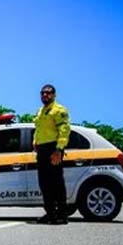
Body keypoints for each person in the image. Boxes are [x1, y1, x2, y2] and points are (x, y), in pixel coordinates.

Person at [33, 84, 71, 225]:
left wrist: (59, 150)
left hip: (53, 149)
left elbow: (64, 130)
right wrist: (35, 142)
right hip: (42, 150)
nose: (45, 95)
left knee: (57, 184)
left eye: (48, 93)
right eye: (42, 93)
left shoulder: (59, 110)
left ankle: (62, 215)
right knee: (44, 184)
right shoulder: (40, 111)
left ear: (54, 95)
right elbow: (38, 129)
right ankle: (50, 213)